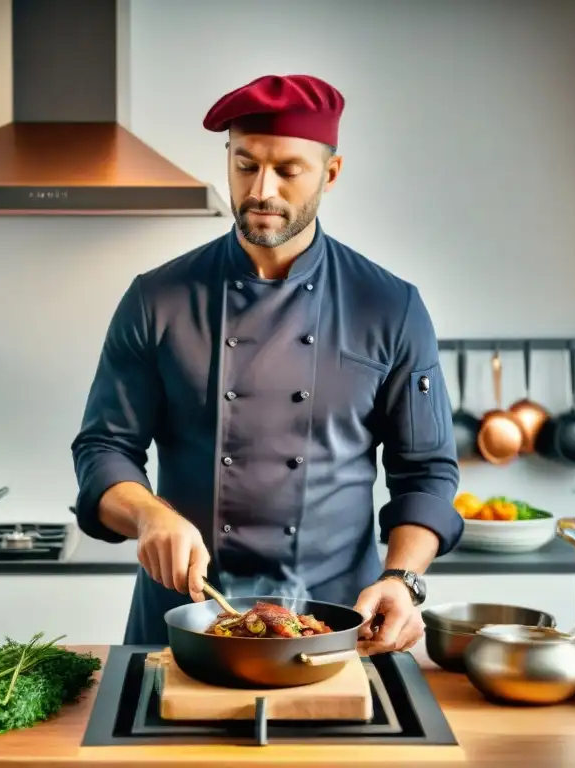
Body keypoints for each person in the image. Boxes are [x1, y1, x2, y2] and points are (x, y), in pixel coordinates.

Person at [71, 73, 462, 652]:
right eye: (245, 164)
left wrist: (402, 579)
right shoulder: (159, 299)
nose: (261, 189)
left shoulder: (389, 305)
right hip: (186, 618)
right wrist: (149, 514)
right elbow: (104, 448)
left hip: (338, 624)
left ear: (330, 173)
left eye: (287, 170)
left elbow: (425, 472)